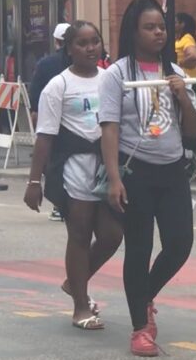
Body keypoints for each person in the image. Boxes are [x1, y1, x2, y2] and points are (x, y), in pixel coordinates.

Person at [99, 0, 196, 357]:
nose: (159, 32)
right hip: (135, 171)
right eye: (150, 27)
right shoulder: (117, 74)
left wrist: (184, 98)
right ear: (133, 31)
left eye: (162, 27)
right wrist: (114, 178)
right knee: (138, 249)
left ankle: (144, 297)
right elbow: (108, 128)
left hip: (173, 170)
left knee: (179, 244)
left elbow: (192, 131)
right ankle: (140, 329)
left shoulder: (177, 73)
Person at [25, 21, 123, 329]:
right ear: (69, 49)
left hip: (107, 166)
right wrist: (33, 181)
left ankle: (75, 282)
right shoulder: (58, 86)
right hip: (74, 166)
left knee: (111, 235)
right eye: (82, 43)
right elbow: (45, 137)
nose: (90, 48)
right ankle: (81, 305)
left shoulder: (111, 79)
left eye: (95, 41)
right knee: (79, 234)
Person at [29, 23, 72, 222]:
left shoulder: (46, 64)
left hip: (52, 117)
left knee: (54, 159)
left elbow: (36, 91)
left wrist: (35, 112)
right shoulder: (88, 64)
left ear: (56, 41)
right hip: (77, 120)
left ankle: (58, 203)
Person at [174, 12, 196, 78]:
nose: (172, 24)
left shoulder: (187, 38)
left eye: (175, 22)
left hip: (190, 78)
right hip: (183, 78)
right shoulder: (178, 40)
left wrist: (179, 64)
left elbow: (195, 55)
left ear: (182, 25)